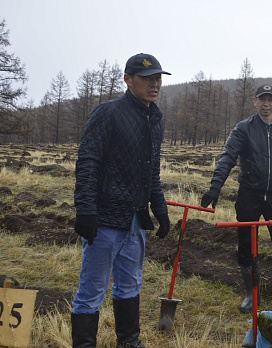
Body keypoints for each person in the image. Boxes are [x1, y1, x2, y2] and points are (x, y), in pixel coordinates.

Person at [72, 53, 171, 348]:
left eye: (158, 78)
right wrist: (86, 210)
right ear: (128, 80)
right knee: (92, 289)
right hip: (105, 218)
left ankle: (129, 341)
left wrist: (160, 210)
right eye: (147, 78)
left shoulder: (155, 118)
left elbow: (151, 171)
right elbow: (88, 161)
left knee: (130, 283)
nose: (154, 84)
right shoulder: (108, 113)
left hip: (135, 220)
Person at [200, 84, 272, 320]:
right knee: (247, 246)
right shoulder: (243, 129)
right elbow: (228, 157)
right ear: (254, 101)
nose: (266, 103)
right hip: (249, 195)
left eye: (271, 99)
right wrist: (215, 187)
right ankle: (251, 295)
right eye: (262, 99)